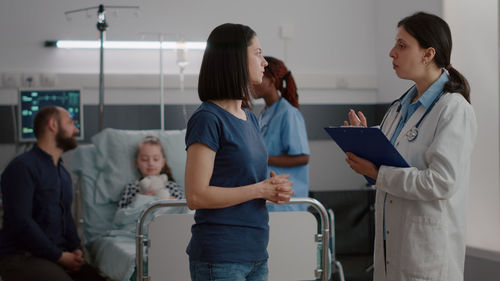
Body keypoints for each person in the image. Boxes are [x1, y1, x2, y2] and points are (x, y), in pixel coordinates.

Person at [343, 12, 477, 281]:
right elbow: (390, 166)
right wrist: (365, 146)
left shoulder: (453, 110)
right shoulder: (397, 109)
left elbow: (441, 182)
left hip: (427, 257)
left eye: (402, 46)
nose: (392, 53)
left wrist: (379, 174)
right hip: (393, 250)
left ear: (428, 54)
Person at [184, 23, 294, 281]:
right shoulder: (208, 119)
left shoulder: (250, 118)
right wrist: (260, 189)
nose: (264, 62)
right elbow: (196, 195)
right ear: (235, 59)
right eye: (257, 53)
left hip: (255, 252)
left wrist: (273, 188)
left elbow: (243, 181)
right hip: (221, 256)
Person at [0, 106, 106, 281]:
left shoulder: (63, 174)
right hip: (21, 257)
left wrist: (75, 250)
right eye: (71, 123)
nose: (76, 130)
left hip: (55, 255)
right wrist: (59, 256)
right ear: (53, 124)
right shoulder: (22, 167)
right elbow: (21, 222)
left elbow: (67, 220)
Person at [252, 56, 310, 211]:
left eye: (258, 76)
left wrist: (262, 158)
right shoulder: (264, 114)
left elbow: (303, 157)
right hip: (270, 197)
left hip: (287, 201)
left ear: (271, 80)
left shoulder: (288, 113)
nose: (251, 82)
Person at [118, 135, 184, 208]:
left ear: (163, 162)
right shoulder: (132, 188)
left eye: (155, 159)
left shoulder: (172, 187)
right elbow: (122, 216)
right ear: (136, 163)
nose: (150, 163)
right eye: (144, 159)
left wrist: (166, 198)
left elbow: (184, 210)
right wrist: (143, 198)